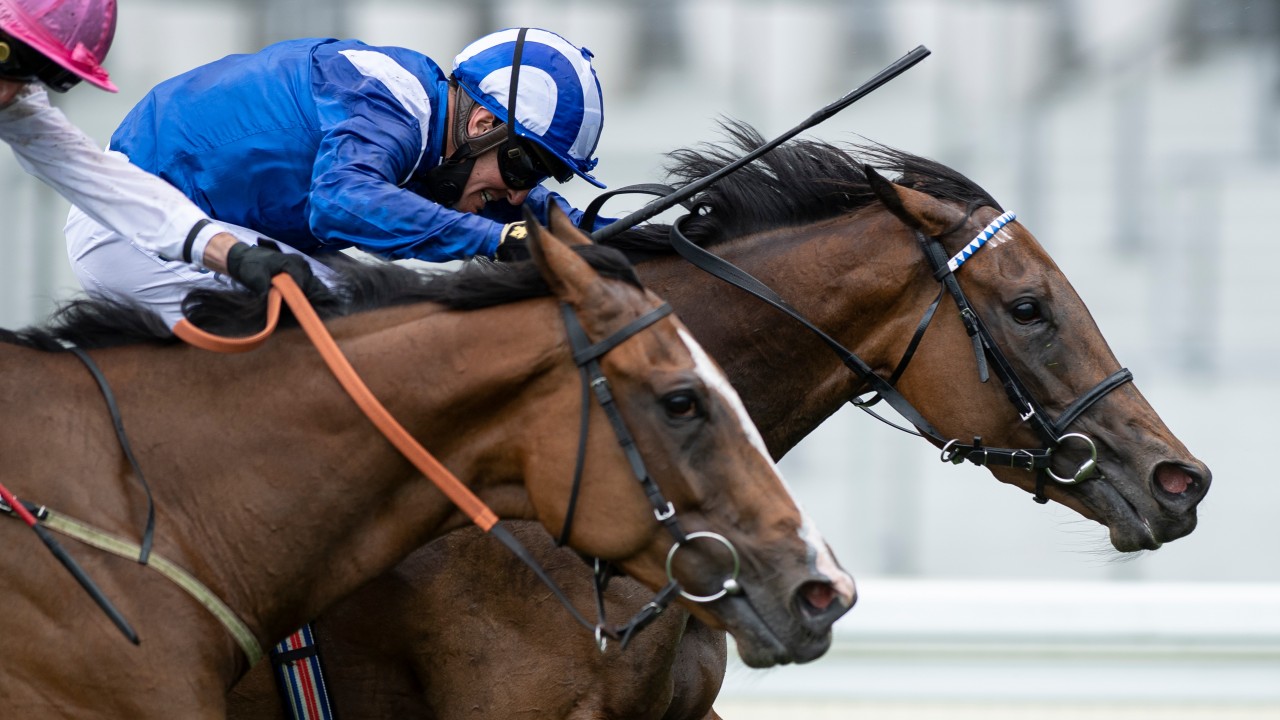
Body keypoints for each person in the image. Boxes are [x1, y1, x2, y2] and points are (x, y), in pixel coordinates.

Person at [65, 27, 606, 328]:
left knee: (378, 316)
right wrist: (498, 238)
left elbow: (521, 211)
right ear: (483, 123)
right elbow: (344, 201)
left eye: (545, 174)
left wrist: (607, 230)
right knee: (369, 325)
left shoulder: (434, 123)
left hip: (220, 227)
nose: (517, 192)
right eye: (525, 166)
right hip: (136, 228)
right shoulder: (387, 107)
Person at [0, 0, 323, 307]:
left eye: (38, 72)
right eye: (4, 55)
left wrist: (234, 255)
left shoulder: (16, 107)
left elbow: (110, 189)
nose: (8, 92)